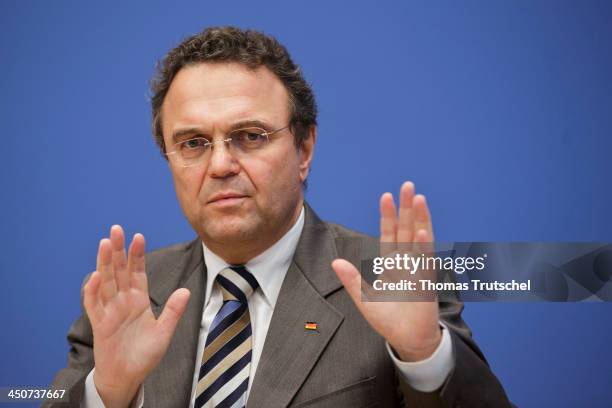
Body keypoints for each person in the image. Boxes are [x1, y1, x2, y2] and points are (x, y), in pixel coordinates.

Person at [45, 26, 511, 407]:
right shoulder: (127, 298)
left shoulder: (389, 279)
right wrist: (108, 395)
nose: (221, 165)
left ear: (304, 148)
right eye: (193, 143)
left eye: (249, 136)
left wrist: (423, 357)